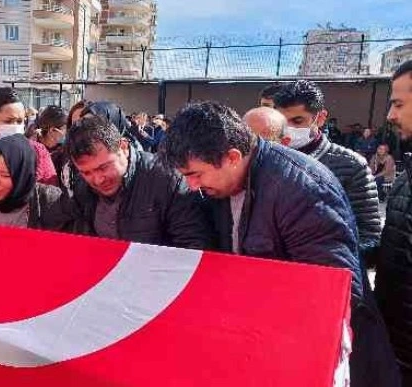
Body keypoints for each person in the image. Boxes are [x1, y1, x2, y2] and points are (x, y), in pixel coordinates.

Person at [160, 101, 400, 387]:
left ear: (233, 156)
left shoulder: (302, 190)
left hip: (324, 357)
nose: (192, 186)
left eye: (195, 174)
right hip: (267, 340)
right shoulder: (223, 185)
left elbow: (336, 292)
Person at [274, 80, 381, 264]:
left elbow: (369, 237)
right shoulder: (268, 161)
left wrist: (328, 263)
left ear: (321, 117)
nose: (287, 130)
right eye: (282, 122)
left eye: (297, 121)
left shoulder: (352, 166)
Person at [66, 116, 211, 248]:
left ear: (122, 147)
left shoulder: (167, 179)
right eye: (86, 172)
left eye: (103, 167)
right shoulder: (82, 188)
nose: (97, 180)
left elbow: (193, 247)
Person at [375, 59, 412, 384]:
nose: (390, 116)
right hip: (394, 354)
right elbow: (394, 250)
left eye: (399, 104)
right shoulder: (406, 179)